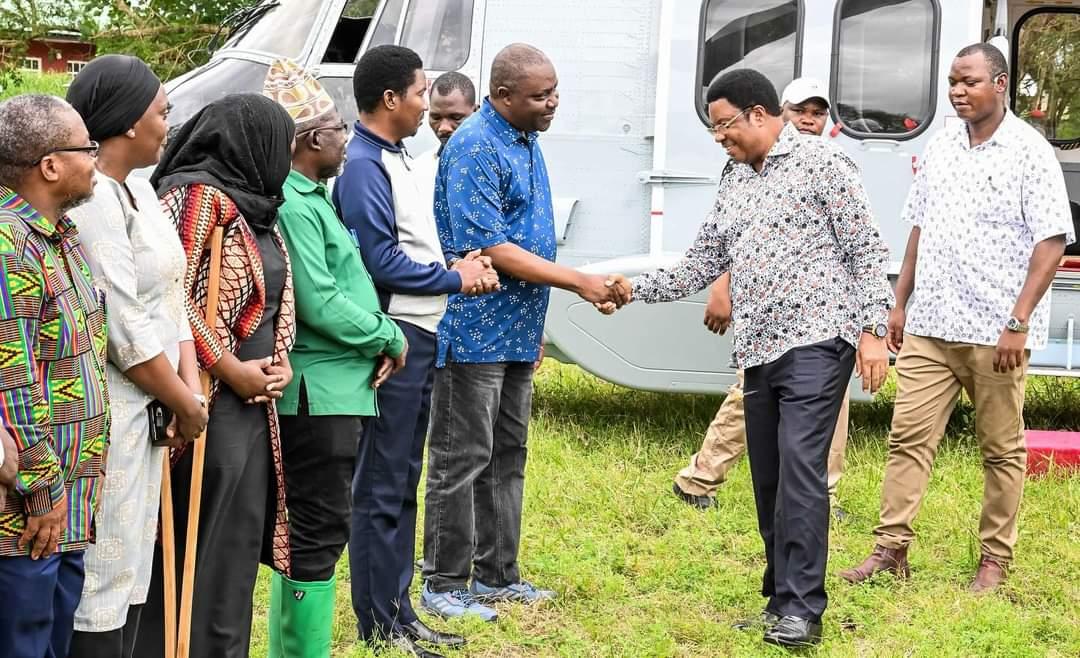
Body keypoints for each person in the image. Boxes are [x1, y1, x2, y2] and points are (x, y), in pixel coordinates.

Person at [609, 68, 893, 647]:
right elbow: (702, 259)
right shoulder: (735, 176)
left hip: (819, 337)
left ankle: (804, 610)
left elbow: (867, 250)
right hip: (759, 346)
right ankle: (779, 597)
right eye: (715, 129)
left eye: (724, 125)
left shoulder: (822, 164)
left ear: (760, 114)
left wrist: (873, 331)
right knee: (768, 475)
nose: (720, 138)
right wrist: (631, 289)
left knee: (799, 468)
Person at [840, 44, 1073, 594]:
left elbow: (1052, 243)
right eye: (951, 81)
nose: (956, 91)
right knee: (907, 439)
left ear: (1000, 83)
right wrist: (899, 302)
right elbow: (919, 227)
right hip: (931, 325)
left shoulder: (1028, 151)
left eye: (968, 81)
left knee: (1000, 449)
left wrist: (1018, 323)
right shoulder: (942, 146)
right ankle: (890, 550)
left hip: (996, 334)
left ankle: (994, 561)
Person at [421, 43, 628, 622]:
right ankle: (443, 582)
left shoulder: (525, 140)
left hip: (516, 330)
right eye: (540, 95)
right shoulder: (473, 147)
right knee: (462, 457)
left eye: (555, 91)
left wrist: (539, 323)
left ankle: (496, 576)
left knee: (508, 454)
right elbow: (490, 246)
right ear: (503, 95)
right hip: (475, 331)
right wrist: (578, 282)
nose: (552, 103)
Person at [335, 45, 495, 658]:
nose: (429, 104)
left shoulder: (400, 158)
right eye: (423, 93)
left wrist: (452, 265)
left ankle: (400, 610)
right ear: (391, 99)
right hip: (395, 337)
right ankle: (379, 623)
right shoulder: (363, 164)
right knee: (380, 485)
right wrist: (457, 278)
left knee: (403, 479)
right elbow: (380, 263)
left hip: (423, 333)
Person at [134, 94, 297, 658]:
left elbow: (273, 297)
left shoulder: (259, 210)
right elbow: (171, 300)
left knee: (233, 551)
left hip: (253, 407)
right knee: (193, 548)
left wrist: (280, 358)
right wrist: (229, 367)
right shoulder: (198, 197)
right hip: (207, 401)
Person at [262, 58, 407, 658]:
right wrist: (386, 334)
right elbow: (320, 301)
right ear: (310, 139)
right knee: (316, 532)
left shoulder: (312, 196)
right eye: (337, 128)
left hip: (338, 390)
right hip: (315, 393)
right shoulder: (294, 203)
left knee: (315, 534)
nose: (346, 138)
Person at [65, 55, 209, 658]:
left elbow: (172, 298)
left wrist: (189, 387)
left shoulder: (143, 188)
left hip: (156, 405)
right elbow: (122, 325)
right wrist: (186, 403)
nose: (168, 123)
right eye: (161, 111)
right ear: (127, 123)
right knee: (102, 570)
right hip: (110, 413)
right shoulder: (91, 198)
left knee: (130, 567)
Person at [673, 77, 852, 518]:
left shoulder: (829, 163)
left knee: (831, 404)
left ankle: (821, 495)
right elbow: (734, 241)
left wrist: (867, 326)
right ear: (771, 113)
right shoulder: (741, 169)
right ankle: (699, 477)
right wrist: (722, 284)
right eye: (799, 110)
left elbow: (856, 246)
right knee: (750, 397)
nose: (808, 119)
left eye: (818, 111)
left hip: (825, 324)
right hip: (767, 324)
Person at [0, 94, 108, 658]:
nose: (96, 158)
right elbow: (10, 380)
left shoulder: (60, 238)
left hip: (66, 502)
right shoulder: (7, 244)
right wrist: (42, 490)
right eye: (86, 148)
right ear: (50, 165)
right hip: (24, 515)